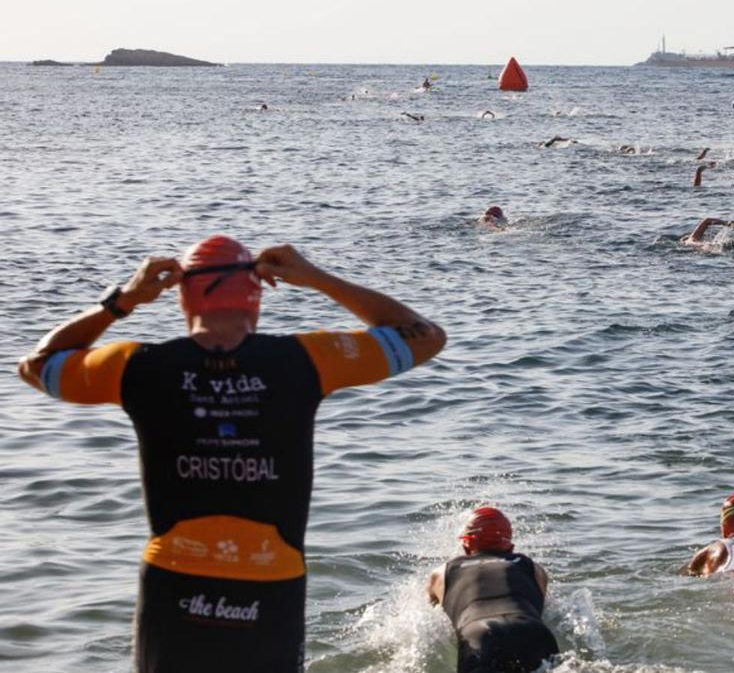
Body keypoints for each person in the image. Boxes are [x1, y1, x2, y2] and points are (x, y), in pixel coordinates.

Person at [17, 236, 446, 672]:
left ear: (184, 299)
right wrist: (316, 278)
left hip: (175, 578)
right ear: (256, 296)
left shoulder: (136, 366)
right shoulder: (307, 360)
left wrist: (123, 300)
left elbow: (37, 364)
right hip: (270, 579)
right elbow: (425, 335)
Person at [428, 507, 558, 673]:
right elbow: (540, 605)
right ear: (509, 543)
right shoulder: (533, 568)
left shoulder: (441, 573)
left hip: (479, 633)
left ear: (466, 543)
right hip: (533, 632)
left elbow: (432, 615)